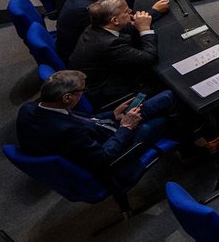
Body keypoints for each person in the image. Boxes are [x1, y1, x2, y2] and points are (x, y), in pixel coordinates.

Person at [17, 69, 170, 191]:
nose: (83, 93)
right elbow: (103, 158)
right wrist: (126, 127)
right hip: (118, 149)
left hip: (105, 131)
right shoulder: (66, 131)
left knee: (165, 98)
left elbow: (84, 121)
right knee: (164, 116)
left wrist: (112, 115)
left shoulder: (30, 109)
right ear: (67, 98)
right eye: (81, 90)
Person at [68, 0, 167, 110]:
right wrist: (145, 29)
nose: (131, 11)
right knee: (165, 83)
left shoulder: (96, 27)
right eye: (126, 11)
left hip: (102, 78)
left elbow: (128, 29)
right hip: (111, 92)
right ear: (115, 20)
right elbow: (150, 58)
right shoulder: (109, 44)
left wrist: (152, 14)